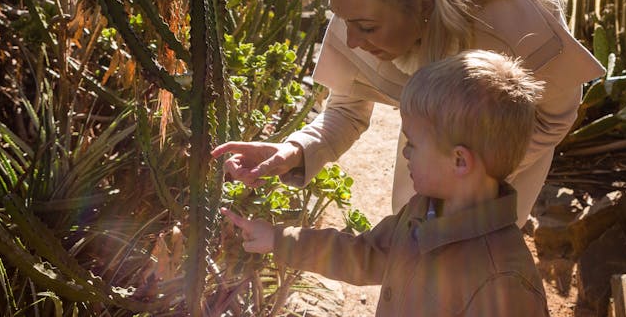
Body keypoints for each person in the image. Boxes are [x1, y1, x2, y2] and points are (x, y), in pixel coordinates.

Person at [211, 0, 604, 227]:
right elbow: (346, 112)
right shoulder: (357, 17)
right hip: (424, 175)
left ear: (423, 5)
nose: (351, 39)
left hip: (503, 187)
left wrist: (471, 174)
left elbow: (555, 116)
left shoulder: (519, 19)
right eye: (344, 21)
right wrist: (293, 150)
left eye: (365, 27)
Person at [222, 50, 550, 316]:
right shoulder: (424, 210)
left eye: (413, 143)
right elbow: (365, 254)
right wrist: (279, 239)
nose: (405, 152)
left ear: (459, 161)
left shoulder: (503, 281)